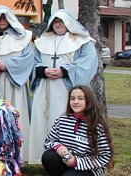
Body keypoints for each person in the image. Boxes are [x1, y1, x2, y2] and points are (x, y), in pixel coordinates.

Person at [29, 9, 98, 164]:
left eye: (61, 21)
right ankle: (43, 157)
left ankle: (66, 158)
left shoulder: (82, 42)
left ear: (68, 23)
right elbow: (33, 62)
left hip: (67, 89)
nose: (58, 24)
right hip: (45, 87)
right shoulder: (42, 41)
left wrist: (64, 71)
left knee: (64, 120)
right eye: (55, 21)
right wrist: (43, 70)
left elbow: (87, 64)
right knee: (42, 119)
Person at [42, 85, 113, 176]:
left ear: (88, 101)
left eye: (80, 98)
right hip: (67, 161)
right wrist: (59, 147)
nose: (75, 102)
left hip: (90, 167)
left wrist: (76, 162)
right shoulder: (63, 119)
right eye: (72, 98)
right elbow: (49, 140)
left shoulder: (97, 125)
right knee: (48, 157)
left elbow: (105, 157)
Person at [0, 5, 34, 162]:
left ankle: (16, 154)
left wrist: (7, 66)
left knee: (15, 118)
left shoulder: (22, 38)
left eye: (5, 18)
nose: (2, 21)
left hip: (14, 84)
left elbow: (27, 59)